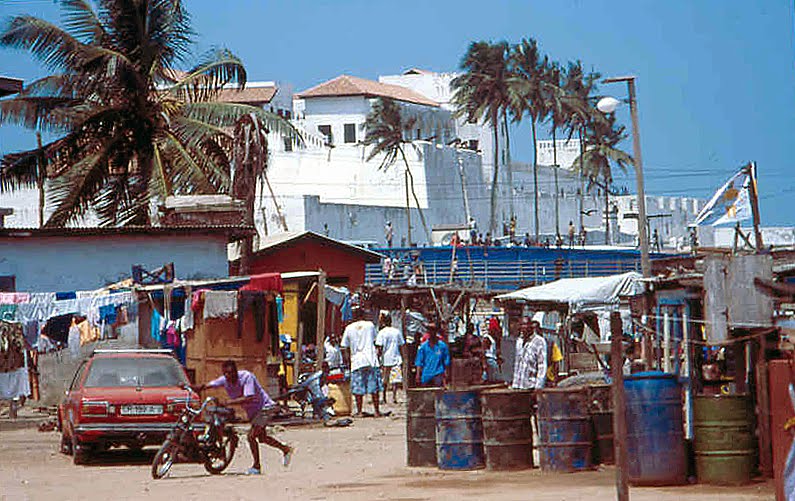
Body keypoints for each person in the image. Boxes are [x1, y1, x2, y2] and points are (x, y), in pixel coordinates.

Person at [195, 360, 292, 475]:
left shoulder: (246, 377)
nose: (228, 376)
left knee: (251, 436)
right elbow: (207, 385)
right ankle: (285, 449)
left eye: (230, 373)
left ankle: (256, 466)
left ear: (236, 371)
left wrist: (228, 402)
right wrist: (191, 387)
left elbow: (248, 397)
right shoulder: (225, 380)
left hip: (265, 408)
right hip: (253, 412)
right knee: (262, 438)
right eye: (225, 373)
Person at [340, 308, 383, 417]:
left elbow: (344, 346)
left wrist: (347, 361)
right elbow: (376, 341)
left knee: (358, 389)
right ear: (363, 315)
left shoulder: (348, 328)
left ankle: (359, 411)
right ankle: (376, 411)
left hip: (357, 361)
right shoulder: (370, 325)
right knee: (374, 388)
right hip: (371, 360)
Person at [375, 314, 405, 404]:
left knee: (384, 379)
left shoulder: (382, 333)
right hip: (396, 358)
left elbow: (379, 347)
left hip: (385, 359)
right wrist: (403, 357)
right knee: (395, 380)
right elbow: (401, 345)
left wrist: (378, 358)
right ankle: (394, 397)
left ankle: (384, 397)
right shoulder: (397, 332)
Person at [511, 318, 547, 390]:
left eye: (525, 324)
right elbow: (517, 363)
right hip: (517, 386)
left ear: (531, 326)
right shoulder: (519, 341)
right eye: (521, 325)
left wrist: (538, 386)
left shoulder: (539, 341)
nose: (522, 327)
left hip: (530, 387)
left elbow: (542, 365)